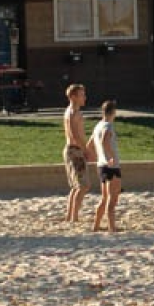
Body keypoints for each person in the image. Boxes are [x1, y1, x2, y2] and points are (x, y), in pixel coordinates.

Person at [62, 83, 93, 222]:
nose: (84, 97)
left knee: (76, 186)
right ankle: (74, 217)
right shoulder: (74, 112)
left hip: (72, 150)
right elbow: (75, 135)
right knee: (83, 185)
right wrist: (86, 150)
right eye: (81, 95)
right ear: (73, 97)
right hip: (75, 150)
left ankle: (71, 216)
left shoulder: (70, 111)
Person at [90, 99, 122, 232]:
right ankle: (112, 227)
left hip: (101, 165)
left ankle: (96, 225)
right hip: (111, 166)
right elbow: (104, 141)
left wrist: (98, 156)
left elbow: (89, 144)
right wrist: (111, 157)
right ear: (113, 112)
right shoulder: (108, 126)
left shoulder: (98, 125)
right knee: (113, 198)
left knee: (104, 198)